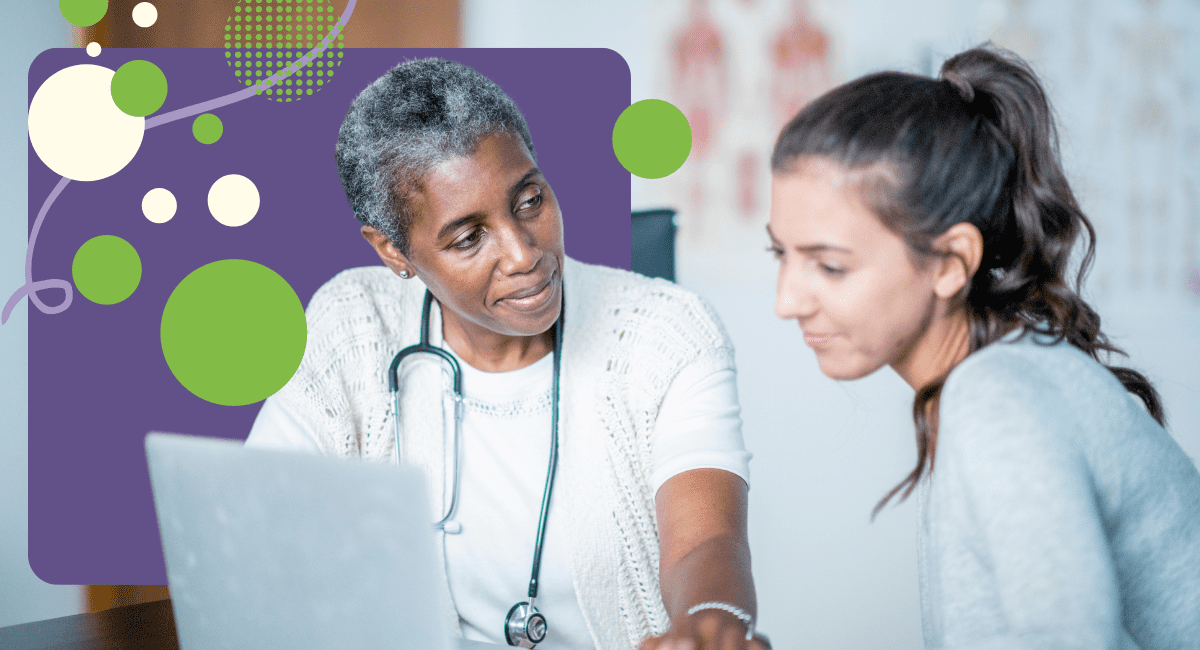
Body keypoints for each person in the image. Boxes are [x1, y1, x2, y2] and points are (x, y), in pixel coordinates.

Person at [246, 58, 769, 650]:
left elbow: (707, 543)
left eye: (529, 201)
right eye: (469, 237)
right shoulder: (351, 324)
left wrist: (707, 621)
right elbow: (254, 523)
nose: (524, 253)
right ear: (393, 250)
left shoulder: (666, 333)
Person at [767, 45, 1200, 648]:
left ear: (949, 263)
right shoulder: (984, 383)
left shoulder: (999, 399)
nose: (787, 301)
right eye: (780, 254)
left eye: (830, 267)